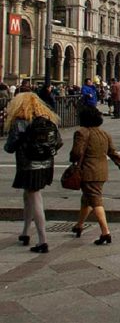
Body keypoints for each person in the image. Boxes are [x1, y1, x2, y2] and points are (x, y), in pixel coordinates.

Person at [4, 92, 63, 253]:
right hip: (46, 165)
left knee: (35, 198)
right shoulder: (48, 118)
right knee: (28, 196)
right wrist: (44, 151)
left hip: (28, 165)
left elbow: (9, 147)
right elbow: (59, 142)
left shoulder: (20, 121)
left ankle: (42, 240)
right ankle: (25, 232)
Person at [70, 105, 120, 244]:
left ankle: (105, 232)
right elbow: (112, 152)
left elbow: (76, 153)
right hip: (102, 171)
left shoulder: (82, 133)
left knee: (95, 200)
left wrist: (73, 158)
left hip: (88, 172)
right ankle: (79, 225)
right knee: (87, 199)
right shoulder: (104, 134)